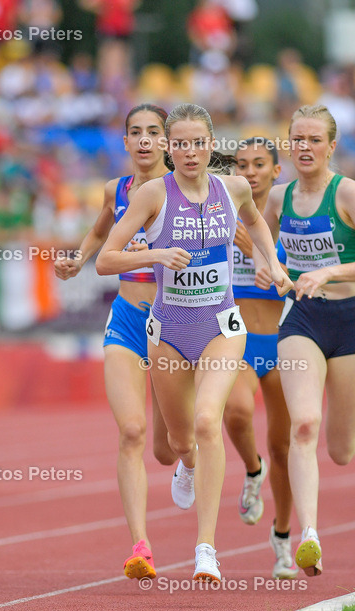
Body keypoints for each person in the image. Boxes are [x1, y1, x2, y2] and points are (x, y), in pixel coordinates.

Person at [96, 103, 289, 583]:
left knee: (208, 422)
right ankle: (186, 467)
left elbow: (257, 221)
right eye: (178, 143)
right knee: (177, 442)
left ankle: (206, 549)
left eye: (197, 142)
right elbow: (104, 259)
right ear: (169, 147)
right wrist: (159, 252)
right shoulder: (150, 196)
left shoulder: (234, 187)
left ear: (209, 144)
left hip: (221, 326)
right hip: (168, 331)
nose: (188, 151)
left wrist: (274, 262)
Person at [261, 104, 355, 576]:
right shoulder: (278, 199)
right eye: (297, 138)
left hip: (352, 321)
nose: (304, 147)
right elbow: (259, 241)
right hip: (302, 319)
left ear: (331, 146)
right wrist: (270, 268)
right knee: (302, 424)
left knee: (340, 451)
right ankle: (310, 535)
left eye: (314, 139)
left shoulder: (349, 193)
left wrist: (331, 271)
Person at [54, 104, 174, 581]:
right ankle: (140, 545)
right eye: (135, 133)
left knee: (170, 448)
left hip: (174, 323)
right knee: (131, 433)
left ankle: (188, 459)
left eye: (153, 133)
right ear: (124, 142)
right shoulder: (115, 189)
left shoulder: (185, 190)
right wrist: (78, 258)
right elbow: (101, 229)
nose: (144, 140)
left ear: (167, 141)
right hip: (126, 320)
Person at [224, 137, 297, 578]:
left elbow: (295, 283)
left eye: (259, 165)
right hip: (237, 339)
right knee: (235, 410)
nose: (250, 172)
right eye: (241, 165)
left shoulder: (294, 223)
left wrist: (254, 249)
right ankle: (253, 471)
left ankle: (284, 538)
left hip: (286, 342)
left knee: (285, 447)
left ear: (276, 172)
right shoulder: (219, 217)